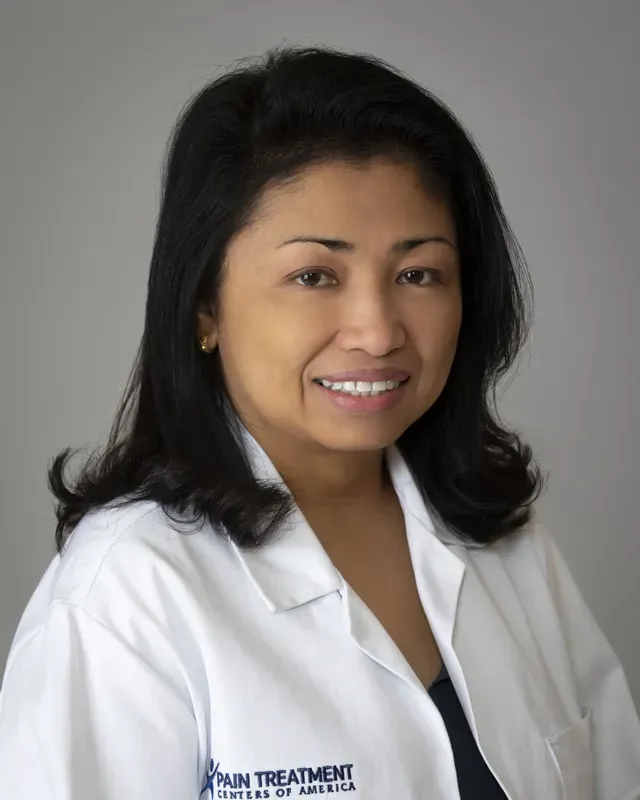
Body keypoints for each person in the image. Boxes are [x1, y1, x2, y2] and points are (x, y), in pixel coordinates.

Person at [0, 42, 638, 800]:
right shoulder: (125, 595)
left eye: (418, 274)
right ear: (206, 304)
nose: (377, 329)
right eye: (314, 276)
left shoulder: (507, 540)